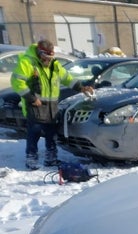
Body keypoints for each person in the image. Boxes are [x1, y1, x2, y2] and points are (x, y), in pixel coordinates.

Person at [10, 39, 94, 170]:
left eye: (51, 57)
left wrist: (81, 88)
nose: (48, 60)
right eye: (46, 57)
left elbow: (67, 78)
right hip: (35, 105)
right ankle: (31, 158)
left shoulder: (54, 65)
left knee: (51, 133)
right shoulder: (27, 63)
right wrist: (31, 98)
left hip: (52, 105)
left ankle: (51, 158)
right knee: (34, 133)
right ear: (40, 53)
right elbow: (17, 81)